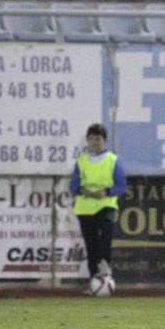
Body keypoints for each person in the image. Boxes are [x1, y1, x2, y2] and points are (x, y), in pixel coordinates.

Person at [70, 123, 126, 295]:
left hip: (106, 204)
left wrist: (106, 192)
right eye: (92, 139)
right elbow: (73, 186)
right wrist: (82, 190)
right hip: (85, 208)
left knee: (105, 237)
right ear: (87, 140)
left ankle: (106, 272)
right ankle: (94, 280)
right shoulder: (82, 160)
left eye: (98, 139)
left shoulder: (113, 160)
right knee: (91, 244)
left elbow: (121, 186)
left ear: (105, 140)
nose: (95, 142)